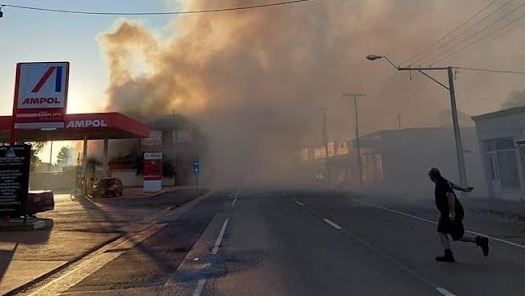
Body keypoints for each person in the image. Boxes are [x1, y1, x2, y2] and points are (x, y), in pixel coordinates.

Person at [428, 167, 489, 262]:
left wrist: (452, 212)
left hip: (452, 212)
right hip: (449, 212)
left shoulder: (441, 184)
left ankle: (449, 254)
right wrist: (464, 189)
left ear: (432, 176)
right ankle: (478, 241)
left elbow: (451, 196)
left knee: (444, 232)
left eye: (429, 176)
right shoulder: (443, 181)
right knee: (454, 235)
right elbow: (453, 185)